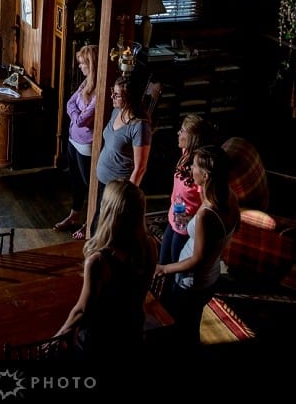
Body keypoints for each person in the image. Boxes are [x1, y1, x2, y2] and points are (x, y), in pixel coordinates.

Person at [54, 178, 157, 358]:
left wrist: (58, 335)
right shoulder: (149, 245)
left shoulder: (99, 261)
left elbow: (82, 310)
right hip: (132, 329)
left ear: (108, 211)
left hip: (101, 339)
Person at [154, 144, 240, 346]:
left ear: (206, 175)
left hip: (191, 283)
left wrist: (164, 268)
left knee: (180, 329)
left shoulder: (206, 215)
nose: (191, 168)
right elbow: (235, 228)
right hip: (211, 276)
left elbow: (197, 260)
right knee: (191, 324)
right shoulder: (230, 197)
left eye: (194, 166)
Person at [91, 74, 152, 235]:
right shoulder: (116, 111)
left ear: (129, 98)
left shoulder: (140, 126)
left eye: (117, 94)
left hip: (118, 189)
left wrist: (125, 195)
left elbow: (140, 167)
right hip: (104, 182)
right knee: (97, 225)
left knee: (106, 231)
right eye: (113, 91)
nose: (112, 96)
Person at [53, 44, 99, 239]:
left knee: (90, 186)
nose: (80, 67)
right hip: (73, 139)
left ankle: (91, 224)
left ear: (92, 64)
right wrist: (76, 114)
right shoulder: (86, 82)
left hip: (86, 145)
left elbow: (82, 120)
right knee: (76, 182)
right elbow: (70, 103)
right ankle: (74, 216)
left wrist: (76, 115)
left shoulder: (99, 90)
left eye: (83, 63)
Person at [158, 114, 216, 266]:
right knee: (163, 260)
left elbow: (207, 203)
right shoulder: (185, 153)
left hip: (185, 226)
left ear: (192, 138)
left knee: (175, 264)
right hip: (173, 217)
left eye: (182, 130)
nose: (178, 133)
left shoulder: (198, 170)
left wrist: (194, 221)